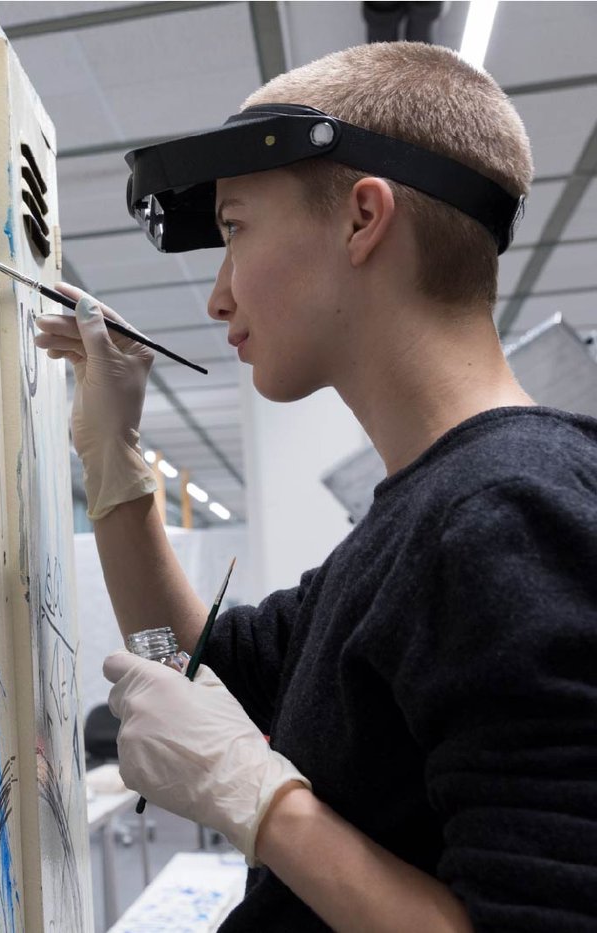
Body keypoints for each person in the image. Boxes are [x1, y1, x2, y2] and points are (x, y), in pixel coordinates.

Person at [34, 41, 597, 931]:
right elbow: (193, 665)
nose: (218, 297)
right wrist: (115, 453)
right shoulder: (433, 516)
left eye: (234, 229)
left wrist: (265, 807)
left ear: (361, 219)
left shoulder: (506, 517)